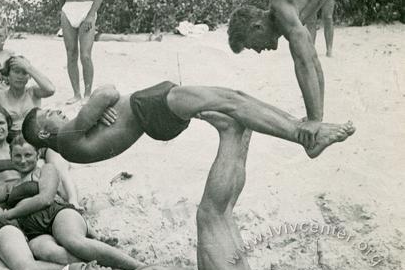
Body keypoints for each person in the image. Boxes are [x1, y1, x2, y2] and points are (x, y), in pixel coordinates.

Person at [56, 112, 258, 270]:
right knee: (210, 214)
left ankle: (242, 131)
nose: (93, 263)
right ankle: (231, 133)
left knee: (224, 210)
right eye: (85, 267)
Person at [22, 81, 354, 161]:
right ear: (42, 131)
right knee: (232, 101)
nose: (56, 111)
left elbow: (104, 103)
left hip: (149, 114)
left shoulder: (69, 142)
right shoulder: (64, 139)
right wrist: (95, 108)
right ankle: (303, 135)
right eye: (48, 114)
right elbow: (107, 92)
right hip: (148, 110)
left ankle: (301, 129)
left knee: (234, 104)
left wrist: (94, 115)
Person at [0, 136, 141, 270]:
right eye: (18, 156)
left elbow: (45, 199)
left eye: (28, 155)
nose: (23, 161)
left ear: (37, 155)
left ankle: (137, 267)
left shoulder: (46, 170)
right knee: (48, 252)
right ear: (11, 156)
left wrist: (8, 213)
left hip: (56, 214)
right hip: (34, 232)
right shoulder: (9, 186)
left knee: (72, 241)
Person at [0, 56, 79, 206]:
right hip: (14, 143)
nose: (20, 76)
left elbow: (50, 89)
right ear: (7, 74)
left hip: (40, 141)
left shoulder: (33, 92)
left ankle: (73, 201)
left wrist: (29, 67)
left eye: (24, 72)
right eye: (16, 71)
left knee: (59, 165)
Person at [56, 0, 104, 104]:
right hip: (69, 10)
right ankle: (76, 93)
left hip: (86, 9)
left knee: (85, 55)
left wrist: (91, 15)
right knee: (71, 54)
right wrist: (64, 13)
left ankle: (88, 94)